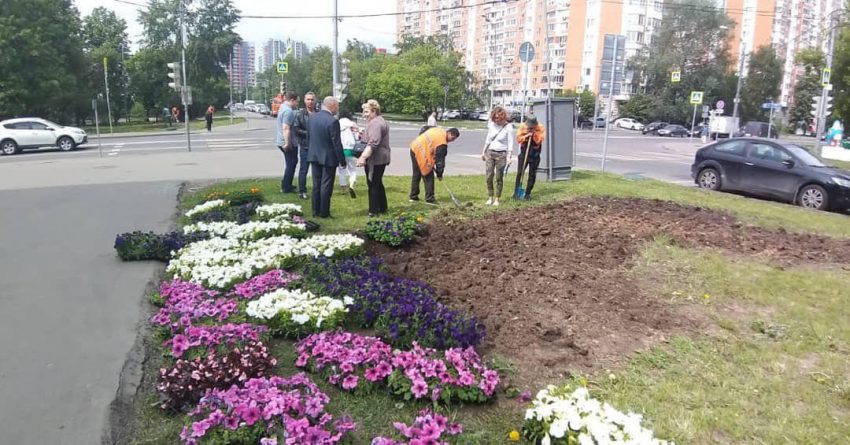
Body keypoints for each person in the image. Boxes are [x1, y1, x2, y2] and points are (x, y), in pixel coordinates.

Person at [307, 97, 347, 218]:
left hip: (314, 155)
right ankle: (324, 212)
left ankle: (315, 210)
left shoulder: (312, 117)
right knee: (326, 186)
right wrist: (342, 160)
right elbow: (336, 143)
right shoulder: (332, 121)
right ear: (333, 105)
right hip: (328, 158)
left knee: (316, 184)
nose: (338, 109)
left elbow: (310, 137)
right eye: (337, 106)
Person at [356, 99, 391, 217]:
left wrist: (363, 157)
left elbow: (373, 143)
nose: (364, 115)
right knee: (377, 182)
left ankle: (374, 211)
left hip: (376, 159)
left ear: (374, 111)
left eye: (366, 112)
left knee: (373, 183)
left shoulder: (376, 123)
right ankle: (382, 207)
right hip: (380, 157)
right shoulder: (380, 121)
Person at [409, 127, 460, 204]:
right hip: (421, 151)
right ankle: (430, 199)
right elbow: (440, 161)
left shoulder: (439, 130)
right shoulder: (442, 143)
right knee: (428, 175)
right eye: (452, 138)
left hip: (414, 146)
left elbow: (424, 129)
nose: (452, 141)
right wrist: (439, 173)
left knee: (417, 173)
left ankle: (413, 196)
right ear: (449, 133)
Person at [480, 105, 514, 206]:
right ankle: (490, 197)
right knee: (489, 176)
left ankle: (497, 199)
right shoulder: (491, 125)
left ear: (503, 117)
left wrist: (509, 157)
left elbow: (510, 143)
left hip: (501, 155)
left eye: (498, 118)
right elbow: (488, 139)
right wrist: (483, 152)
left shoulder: (508, 127)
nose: (496, 120)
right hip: (490, 153)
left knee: (499, 177)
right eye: (495, 118)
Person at [293, 92, 320, 200]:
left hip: (317, 146)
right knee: (304, 170)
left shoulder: (319, 114)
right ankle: (302, 191)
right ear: (304, 100)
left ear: (315, 101)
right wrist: (309, 133)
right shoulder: (300, 114)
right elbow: (296, 129)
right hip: (305, 146)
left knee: (317, 170)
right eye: (308, 99)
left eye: (312, 99)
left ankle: (317, 190)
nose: (310, 102)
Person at [513, 116, 545, 201]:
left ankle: (527, 193)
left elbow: (539, 140)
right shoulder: (523, 127)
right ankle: (516, 193)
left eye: (532, 126)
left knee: (532, 174)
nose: (530, 127)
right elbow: (518, 139)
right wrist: (527, 135)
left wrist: (534, 134)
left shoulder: (540, 128)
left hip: (535, 154)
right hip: (524, 154)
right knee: (520, 173)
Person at [276, 92, 300, 193]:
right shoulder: (288, 111)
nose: (297, 104)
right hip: (287, 142)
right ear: (292, 100)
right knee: (291, 163)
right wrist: (287, 143)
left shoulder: (282, 107)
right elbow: (286, 128)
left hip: (280, 140)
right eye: (297, 102)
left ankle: (286, 184)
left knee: (291, 162)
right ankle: (286, 186)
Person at [336, 111, 359, 199]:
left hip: (341, 149)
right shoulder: (351, 123)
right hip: (350, 149)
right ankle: (352, 185)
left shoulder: (337, 124)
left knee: (342, 169)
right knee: (352, 169)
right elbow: (358, 131)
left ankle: (343, 187)